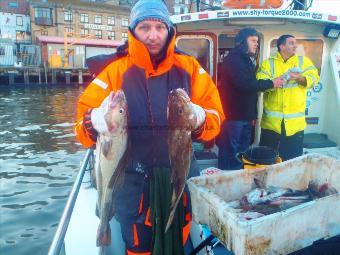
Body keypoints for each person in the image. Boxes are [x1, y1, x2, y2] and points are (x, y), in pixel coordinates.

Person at [74, 0, 224, 254]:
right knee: (138, 242)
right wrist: (92, 120)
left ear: (169, 30)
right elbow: (81, 127)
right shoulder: (113, 71)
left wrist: (200, 119)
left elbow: (216, 118)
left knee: (179, 230)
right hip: (131, 183)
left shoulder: (190, 68)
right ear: (133, 30)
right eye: (144, 27)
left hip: (179, 175)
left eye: (159, 27)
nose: (153, 35)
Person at [217, 28, 284, 170]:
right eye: (253, 41)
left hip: (244, 116)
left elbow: (249, 87)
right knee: (230, 152)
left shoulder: (246, 59)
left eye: (257, 42)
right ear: (242, 42)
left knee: (241, 152)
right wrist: (272, 83)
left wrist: (252, 115)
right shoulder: (234, 60)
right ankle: (226, 176)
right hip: (233, 117)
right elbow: (244, 84)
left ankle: (238, 175)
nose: (256, 44)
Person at [256, 34, 320, 161]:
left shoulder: (303, 62)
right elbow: (260, 82)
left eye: (295, 43)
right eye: (291, 43)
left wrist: (298, 78)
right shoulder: (268, 64)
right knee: (266, 160)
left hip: (294, 126)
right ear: (282, 46)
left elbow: (314, 79)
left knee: (293, 161)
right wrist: (276, 81)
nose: (295, 46)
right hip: (271, 125)